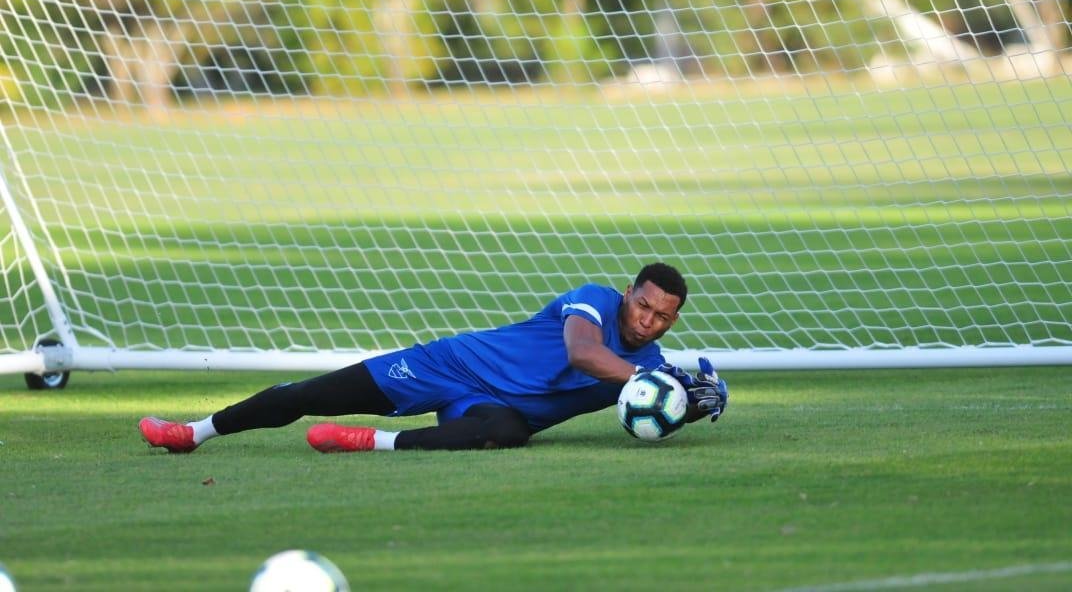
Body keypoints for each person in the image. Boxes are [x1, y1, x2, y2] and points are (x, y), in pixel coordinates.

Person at [138, 262, 728, 453]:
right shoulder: (595, 303)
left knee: (505, 433)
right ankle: (193, 432)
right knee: (310, 394)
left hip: (491, 409)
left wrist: (702, 398)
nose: (647, 320)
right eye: (644, 305)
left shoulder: (650, 365)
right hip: (450, 365)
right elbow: (583, 355)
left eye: (661, 317)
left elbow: (665, 409)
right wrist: (660, 374)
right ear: (629, 293)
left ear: (672, 320)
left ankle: (372, 442)